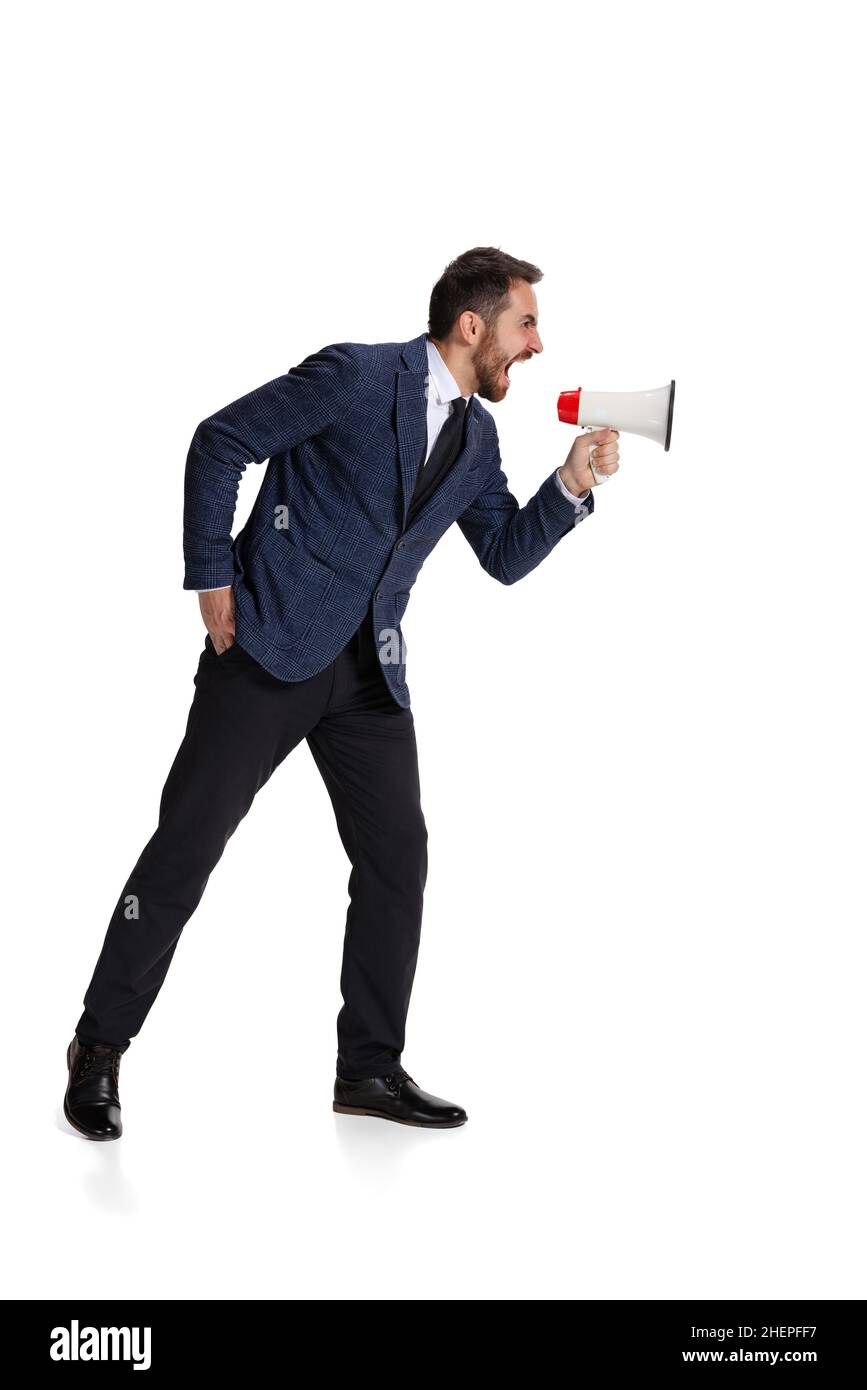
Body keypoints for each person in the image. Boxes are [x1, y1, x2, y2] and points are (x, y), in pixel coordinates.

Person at [63, 246, 620, 1139]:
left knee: (399, 859)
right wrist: (211, 574)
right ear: (471, 325)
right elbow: (221, 441)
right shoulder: (358, 375)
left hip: (370, 675)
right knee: (187, 849)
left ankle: (367, 1068)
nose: (537, 344)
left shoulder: (477, 441)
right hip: (269, 646)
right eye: (525, 324)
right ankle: (98, 1049)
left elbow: (505, 558)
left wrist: (571, 484)